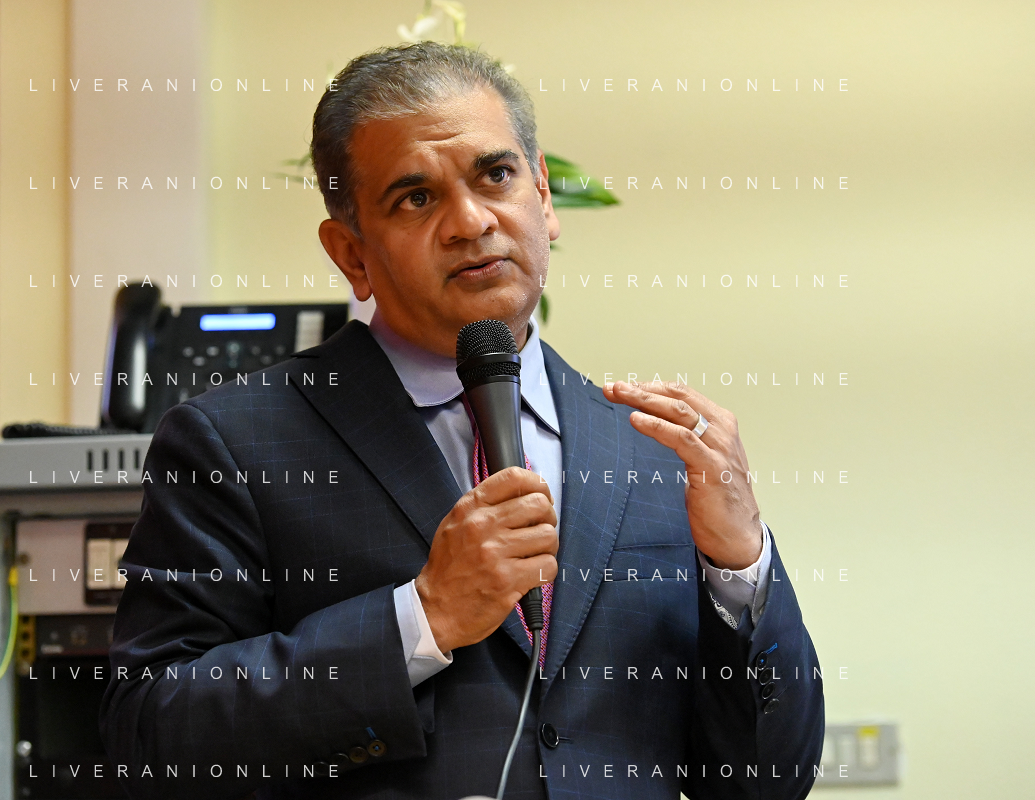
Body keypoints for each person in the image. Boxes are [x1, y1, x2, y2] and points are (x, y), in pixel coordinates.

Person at [100, 41, 823, 800]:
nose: (470, 222)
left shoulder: (653, 451)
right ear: (351, 254)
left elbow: (765, 781)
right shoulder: (236, 442)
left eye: (495, 176)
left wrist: (740, 565)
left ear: (543, 197)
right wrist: (423, 618)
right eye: (415, 198)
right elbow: (150, 738)